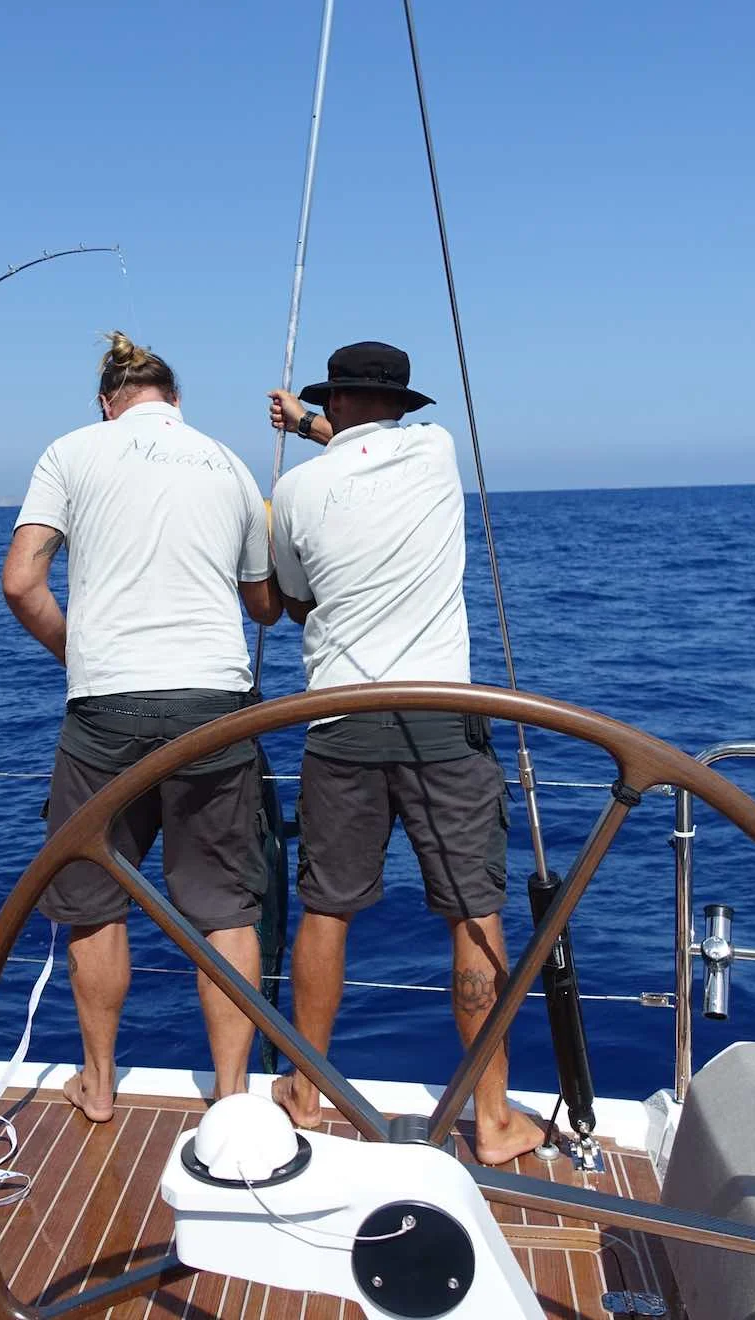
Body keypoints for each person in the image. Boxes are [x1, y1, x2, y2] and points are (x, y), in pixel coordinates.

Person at [264, 341, 546, 1164]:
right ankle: (491, 1120)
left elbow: (291, 602)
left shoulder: (294, 489)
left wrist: (299, 426)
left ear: (338, 399)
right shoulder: (436, 450)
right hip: (440, 719)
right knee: (473, 912)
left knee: (327, 908)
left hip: (339, 722)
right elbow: (355, 439)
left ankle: (306, 1092)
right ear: (401, 406)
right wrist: (311, 422)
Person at [2, 332, 280, 1122]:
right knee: (226, 907)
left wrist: (75, 648)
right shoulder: (226, 463)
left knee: (94, 897)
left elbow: (22, 581)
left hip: (106, 710)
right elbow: (262, 603)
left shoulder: (71, 451)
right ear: (175, 401)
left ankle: (97, 1081)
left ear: (106, 403)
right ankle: (232, 1099)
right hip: (214, 711)